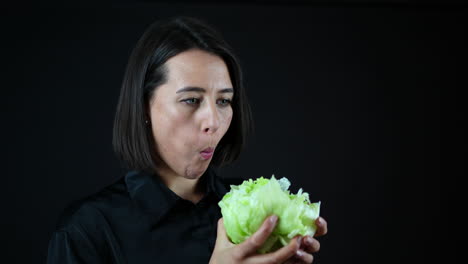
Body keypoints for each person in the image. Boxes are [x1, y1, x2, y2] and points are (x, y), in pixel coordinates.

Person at [46, 16, 328, 264]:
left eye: (224, 101)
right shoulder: (87, 231)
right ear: (144, 106)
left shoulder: (250, 212)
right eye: (191, 100)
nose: (214, 122)